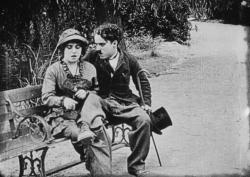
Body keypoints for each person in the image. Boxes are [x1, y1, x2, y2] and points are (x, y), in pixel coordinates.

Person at [42, 28, 111, 177]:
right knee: (81, 135)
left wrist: (87, 93)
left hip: (86, 113)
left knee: (98, 134)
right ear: (62, 49)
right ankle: (95, 166)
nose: (74, 51)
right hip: (62, 117)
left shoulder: (89, 68)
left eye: (78, 47)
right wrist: (62, 100)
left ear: (82, 50)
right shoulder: (54, 70)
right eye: (69, 47)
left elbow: (96, 92)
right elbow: (46, 97)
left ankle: (100, 171)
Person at [85, 23, 152, 177]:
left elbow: (142, 82)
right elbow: (80, 74)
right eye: (96, 44)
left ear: (114, 43)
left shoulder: (129, 60)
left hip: (125, 102)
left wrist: (146, 103)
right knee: (93, 125)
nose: (97, 48)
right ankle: (96, 165)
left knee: (144, 120)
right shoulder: (92, 57)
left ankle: (136, 166)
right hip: (101, 103)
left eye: (102, 44)